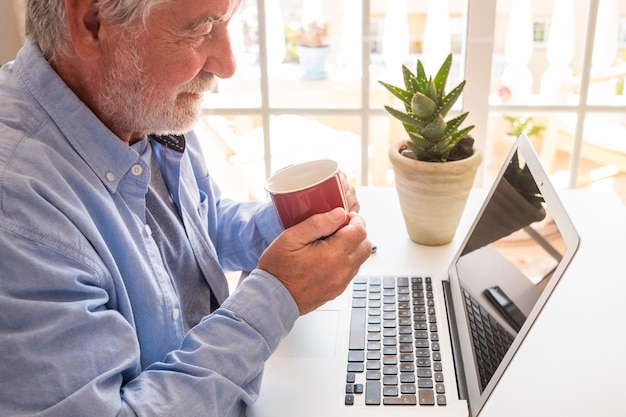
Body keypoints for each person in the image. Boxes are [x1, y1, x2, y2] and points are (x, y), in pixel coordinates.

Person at [0, 0, 372, 415]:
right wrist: (277, 295)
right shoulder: (17, 211)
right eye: (200, 29)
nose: (228, 64)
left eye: (229, 22)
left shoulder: (136, 104)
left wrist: (287, 225)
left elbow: (193, 235)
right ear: (90, 24)